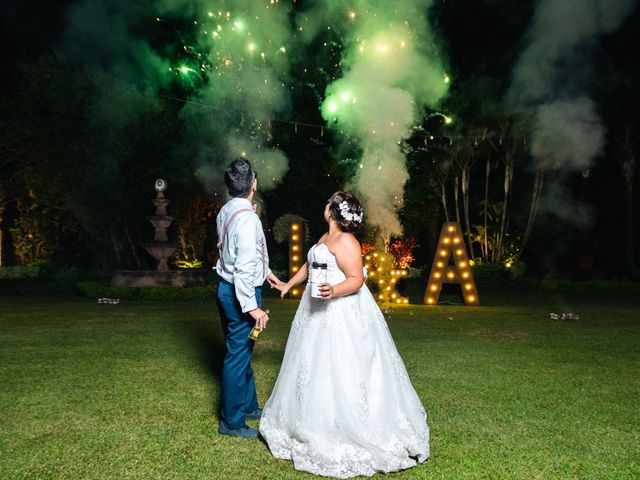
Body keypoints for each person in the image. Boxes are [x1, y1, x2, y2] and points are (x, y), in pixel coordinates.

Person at [260, 191, 430, 478]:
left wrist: (333, 291)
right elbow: (310, 265)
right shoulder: (325, 239)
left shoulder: (347, 242)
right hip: (313, 313)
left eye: (329, 202)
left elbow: (356, 280)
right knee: (309, 365)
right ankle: (308, 420)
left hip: (339, 314)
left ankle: (342, 425)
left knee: (339, 366)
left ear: (335, 212)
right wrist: (289, 284)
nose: (324, 205)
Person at [215, 157, 282, 439]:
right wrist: (253, 308)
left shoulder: (227, 211)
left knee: (242, 352)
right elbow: (242, 269)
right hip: (239, 292)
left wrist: (266, 273)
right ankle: (231, 422)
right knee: (236, 356)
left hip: (225, 287)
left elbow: (240, 253)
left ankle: (249, 405)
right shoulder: (248, 219)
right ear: (253, 185)